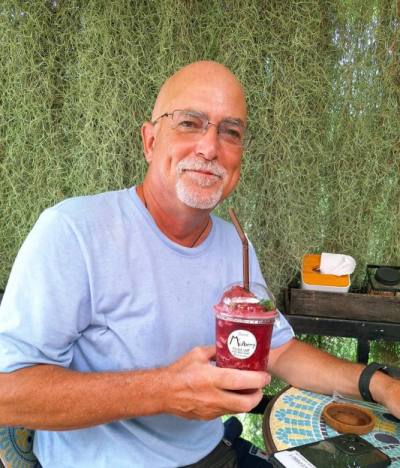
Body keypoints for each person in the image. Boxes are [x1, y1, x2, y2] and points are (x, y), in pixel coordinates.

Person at [0, 61, 398, 468]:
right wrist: (163, 391)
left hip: (213, 456)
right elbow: (7, 396)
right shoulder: (73, 231)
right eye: (189, 123)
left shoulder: (234, 245)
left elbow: (278, 351)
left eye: (231, 132)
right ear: (150, 141)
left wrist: (381, 386)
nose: (210, 147)